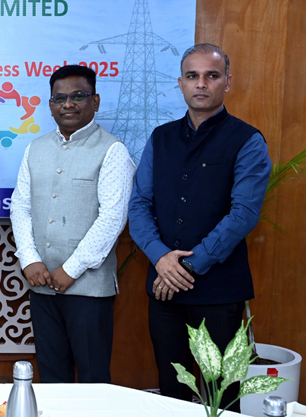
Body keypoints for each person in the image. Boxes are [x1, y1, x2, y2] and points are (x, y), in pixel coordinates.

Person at [128, 43, 271, 410]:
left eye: (212, 75)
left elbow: (243, 215)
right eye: (192, 76)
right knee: (171, 392)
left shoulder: (247, 140)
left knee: (223, 398)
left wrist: (186, 266)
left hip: (219, 293)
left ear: (228, 82)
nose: (201, 84)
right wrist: (162, 258)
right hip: (164, 291)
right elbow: (139, 204)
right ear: (181, 83)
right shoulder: (161, 137)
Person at [10, 65, 135, 383]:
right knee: (52, 376)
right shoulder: (35, 148)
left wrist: (71, 269)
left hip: (88, 289)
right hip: (41, 284)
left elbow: (112, 218)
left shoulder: (113, 151)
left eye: (78, 96)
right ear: (50, 104)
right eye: (60, 98)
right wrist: (29, 259)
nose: (68, 104)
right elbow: (20, 206)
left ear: (95, 101)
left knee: (93, 377)